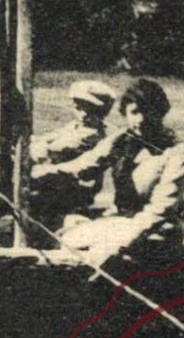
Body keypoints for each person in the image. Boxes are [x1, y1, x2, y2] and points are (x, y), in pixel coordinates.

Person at [55, 78, 184, 269]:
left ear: (161, 113)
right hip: (122, 222)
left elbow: (162, 208)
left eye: (149, 112)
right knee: (66, 236)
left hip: (159, 230)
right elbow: (83, 166)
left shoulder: (178, 152)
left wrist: (123, 240)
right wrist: (37, 172)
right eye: (135, 112)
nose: (141, 120)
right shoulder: (123, 140)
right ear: (125, 114)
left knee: (99, 253)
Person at [27, 79, 118, 232]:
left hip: (74, 187)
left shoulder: (92, 134)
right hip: (57, 180)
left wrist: (36, 148)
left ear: (98, 111)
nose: (79, 109)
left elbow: (56, 148)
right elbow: (47, 138)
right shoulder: (75, 127)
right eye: (77, 104)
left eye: (84, 106)